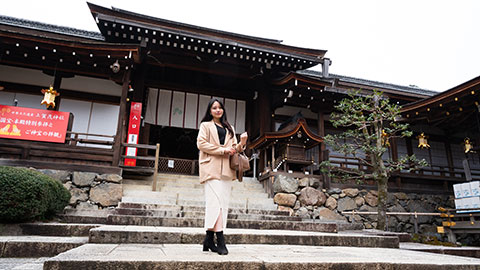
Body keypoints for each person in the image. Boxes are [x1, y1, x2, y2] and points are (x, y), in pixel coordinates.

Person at [197, 98, 248, 255]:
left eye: (220, 108)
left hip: (226, 171)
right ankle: (220, 239)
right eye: (214, 108)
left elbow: (234, 150)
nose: (218, 110)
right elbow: (201, 144)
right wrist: (222, 150)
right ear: (210, 111)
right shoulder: (205, 126)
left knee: (222, 204)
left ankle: (208, 238)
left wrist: (242, 143)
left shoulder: (229, 128)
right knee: (215, 203)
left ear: (223, 110)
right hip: (210, 168)